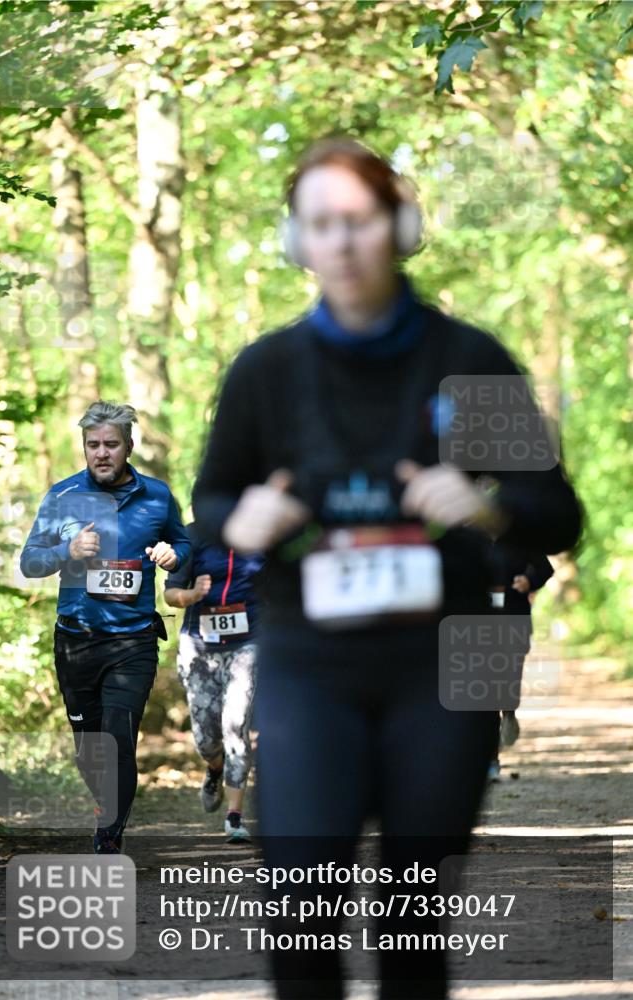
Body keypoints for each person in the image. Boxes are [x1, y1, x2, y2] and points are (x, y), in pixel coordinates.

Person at [191, 138, 583, 999]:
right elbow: (211, 503)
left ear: (399, 229)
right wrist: (240, 519)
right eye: (321, 224)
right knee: (300, 918)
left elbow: (558, 514)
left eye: (360, 221)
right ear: (298, 242)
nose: (342, 242)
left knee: (412, 929)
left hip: (435, 674)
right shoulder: (268, 371)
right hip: (307, 671)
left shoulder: (468, 360)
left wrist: (485, 506)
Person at [20, 401, 190, 854]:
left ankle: (109, 834)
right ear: (84, 447)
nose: (101, 452)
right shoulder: (61, 497)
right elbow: (29, 561)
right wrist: (67, 552)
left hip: (133, 641)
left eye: (110, 444)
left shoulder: (157, 496)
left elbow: (184, 543)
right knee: (88, 751)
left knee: (118, 740)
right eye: (92, 444)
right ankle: (105, 808)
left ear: (129, 445)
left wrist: (175, 558)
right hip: (76, 641)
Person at [164, 526, 262, 842]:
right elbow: (170, 594)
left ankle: (234, 816)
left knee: (236, 724)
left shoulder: (261, 534)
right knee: (206, 737)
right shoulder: (192, 537)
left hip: (249, 643)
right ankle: (215, 769)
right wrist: (192, 595)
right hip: (200, 646)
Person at [487, 546, 555, 780]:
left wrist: (529, 580)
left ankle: (509, 711)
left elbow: (546, 568)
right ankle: (491, 760)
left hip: (514, 621)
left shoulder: (519, 539)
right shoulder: (468, 537)